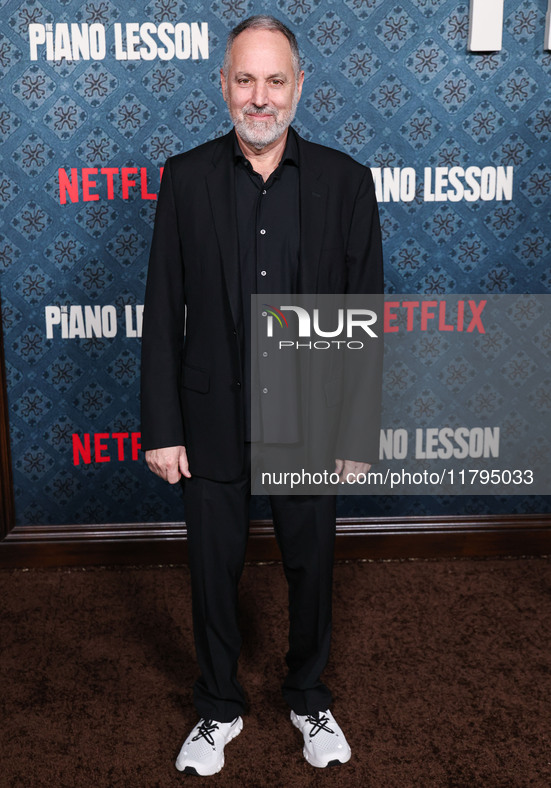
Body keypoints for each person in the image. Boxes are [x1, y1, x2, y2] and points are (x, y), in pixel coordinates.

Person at [141, 15, 383, 776]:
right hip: (210, 411)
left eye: (274, 80)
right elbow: (161, 309)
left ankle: (308, 695)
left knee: (310, 565)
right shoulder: (185, 178)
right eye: (244, 79)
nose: (259, 96)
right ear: (221, 85)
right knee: (212, 569)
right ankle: (217, 706)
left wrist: (354, 432)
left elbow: (363, 320)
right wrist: (162, 426)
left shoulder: (346, 182)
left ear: (299, 86)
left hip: (307, 419)